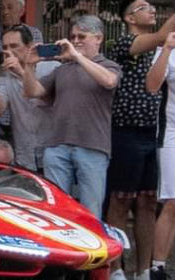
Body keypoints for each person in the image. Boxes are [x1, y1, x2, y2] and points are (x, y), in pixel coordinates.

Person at [19, 15, 120, 225]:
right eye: (73, 36)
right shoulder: (62, 70)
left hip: (92, 146)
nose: (75, 40)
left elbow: (109, 81)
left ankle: (91, 256)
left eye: (81, 36)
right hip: (57, 146)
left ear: (98, 38)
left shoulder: (108, 65)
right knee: (56, 211)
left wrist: (76, 56)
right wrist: (29, 66)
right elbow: (32, 92)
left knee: (91, 212)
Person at [104, 0, 175, 280]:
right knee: (120, 200)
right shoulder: (125, 44)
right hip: (125, 131)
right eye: (145, 8)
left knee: (147, 201)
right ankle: (115, 269)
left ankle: (143, 271)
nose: (153, 11)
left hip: (152, 131)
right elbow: (160, 36)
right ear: (130, 18)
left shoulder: (159, 50)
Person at [0, 25, 59, 172]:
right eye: (5, 47)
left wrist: (21, 71)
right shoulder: (5, 77)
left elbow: (54, 102)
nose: (9, 52)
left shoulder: (52, 68)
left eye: (14, 46)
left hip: (53, 154)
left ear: (30, 46)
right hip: (25, 156)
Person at [145, 28, 175, 280]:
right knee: (172, 202)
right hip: (172, 135)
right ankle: (157, 270)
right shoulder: (168, 48)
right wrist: (166, 48)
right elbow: (152, 86)